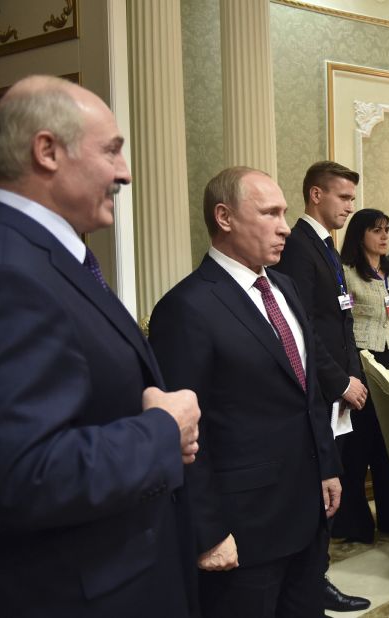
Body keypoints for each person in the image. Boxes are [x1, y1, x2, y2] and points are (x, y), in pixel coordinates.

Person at [0, 75, 200, 617]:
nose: (126, 172)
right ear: (46, 150)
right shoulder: (3, 272)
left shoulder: (40, 256)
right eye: (112, 150)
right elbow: (23, 476)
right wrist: (163, 431)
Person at [149, 166, 342, 618]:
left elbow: (305, 389)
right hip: (241, 529)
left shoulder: (286, 288)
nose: (285, 227)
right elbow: (183, 436)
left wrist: (327, 466)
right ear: (224, 217)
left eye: (285, 214)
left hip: (306, 515)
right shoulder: (186, 308)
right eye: (270, 213)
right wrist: (208, 531)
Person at [271, 160, 371, 612]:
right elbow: (302, 324)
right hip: (320, 386)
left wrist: (355, 373)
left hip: (339, 383)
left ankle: (317, 577)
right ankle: (312, 582)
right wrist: (338, 381)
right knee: (320, 490)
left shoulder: (325, 245)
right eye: (344, 197)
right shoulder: (298, 246)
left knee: (332, 485)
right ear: (316, 195)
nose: (351, 206)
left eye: (352, 198)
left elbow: (340, 317)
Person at [336, 208, 389, 544]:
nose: (383, 236)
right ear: (359, 234)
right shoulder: (346, 273)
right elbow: (343, 325)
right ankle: (354, 525)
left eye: (386, 229)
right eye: (376, 230)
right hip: (362, 360)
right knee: (358, 444)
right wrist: (349, 370)